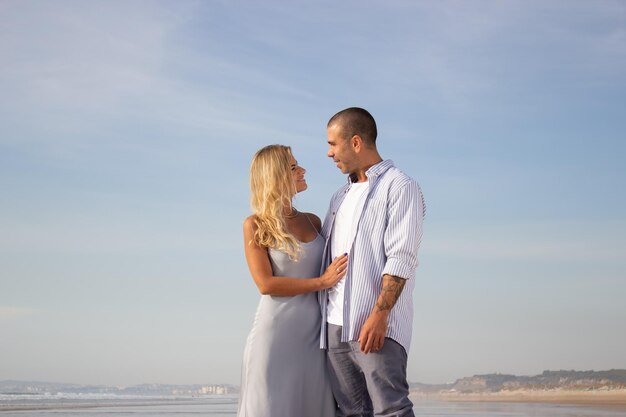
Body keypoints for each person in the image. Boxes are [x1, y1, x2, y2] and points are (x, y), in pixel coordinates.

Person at [319, 108, 425, 417]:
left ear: (355, 142)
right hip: (335, 326)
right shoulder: (339, 196)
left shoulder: (400, 186)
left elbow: (402, 256)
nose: (328, 153)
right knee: (352, 412)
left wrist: (380, 315)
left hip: (375, 325)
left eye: (332, 144)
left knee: (391, 410)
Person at [238, 144, 348, 417]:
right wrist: (321, 282)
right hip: (276, 337)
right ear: (274, 176)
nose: (303, 170)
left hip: (315, 337)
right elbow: (266, 284)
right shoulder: (255, 225)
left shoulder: (313, 221)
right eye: (293, 167)